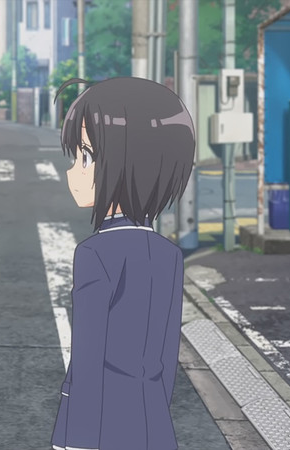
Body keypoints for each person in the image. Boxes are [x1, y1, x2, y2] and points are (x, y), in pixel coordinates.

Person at [50, 77, 196, 450]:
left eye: (86, 157)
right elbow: (167, 356)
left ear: (126, 165)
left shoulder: (95, 253)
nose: (73, 170)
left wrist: (75, 438)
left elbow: (87, 360)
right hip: (154, 424)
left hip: (104, 427)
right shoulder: (169, 255)